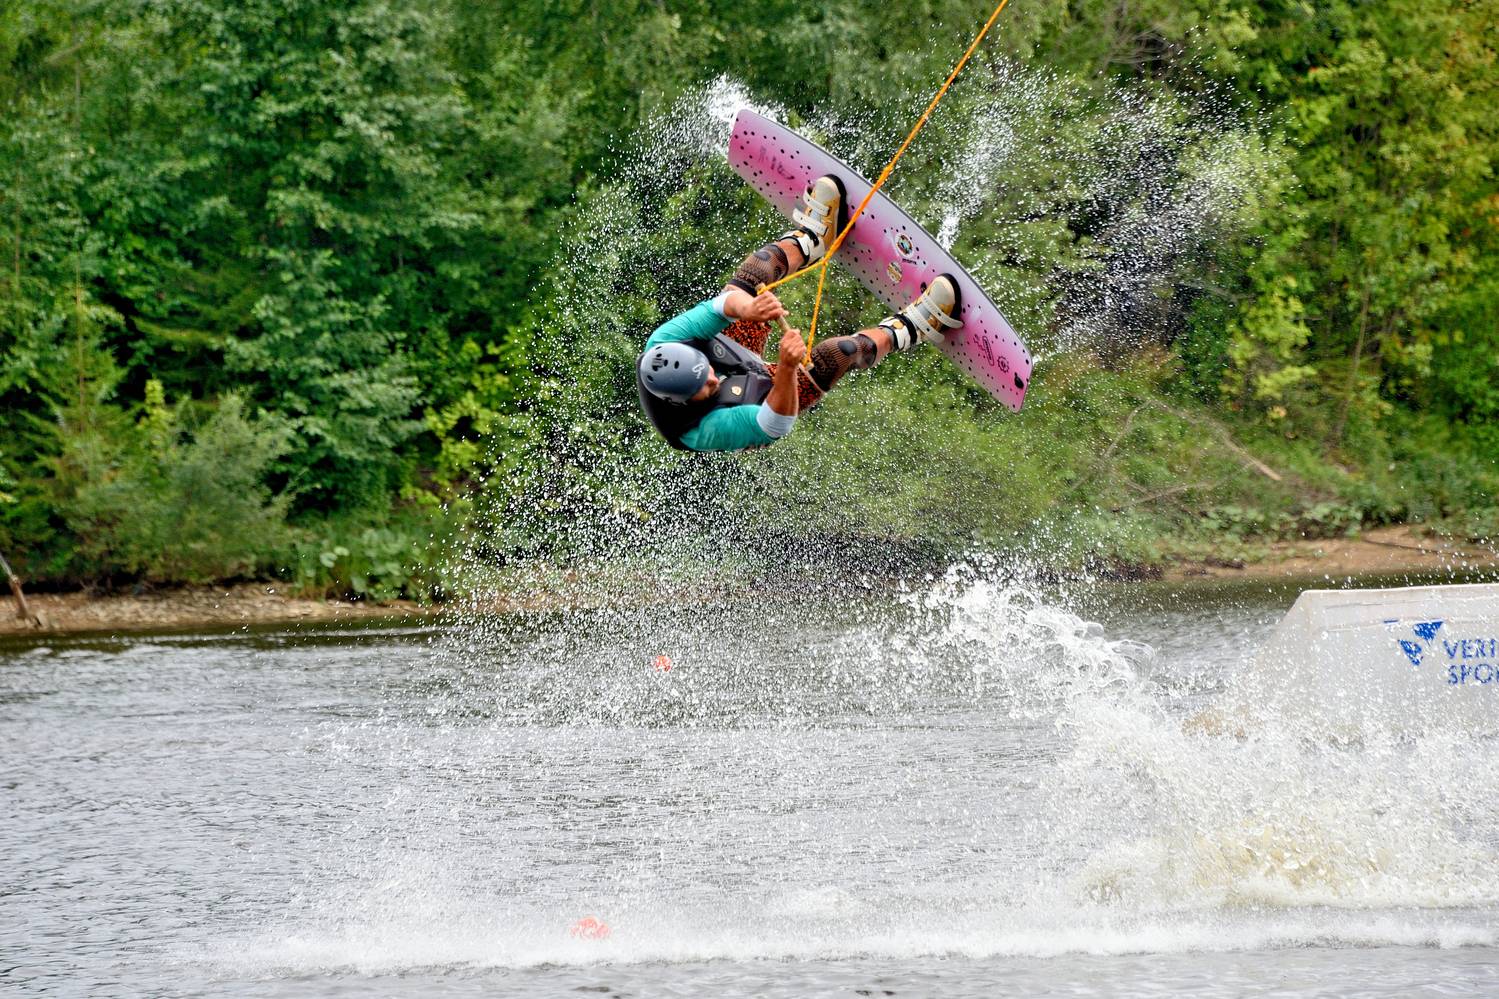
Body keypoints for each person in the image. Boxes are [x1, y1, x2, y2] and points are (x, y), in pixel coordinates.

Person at [636, 175, 964, 452]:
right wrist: (788, 367)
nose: (712, 379)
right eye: (704, 386)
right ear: (682, 400)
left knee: (758, 270)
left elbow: (720, 307)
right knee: (838, 354)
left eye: (705, 370)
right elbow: (775, 424)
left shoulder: (666, 340)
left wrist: (751, 307)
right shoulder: (704, 429)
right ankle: (911, 328)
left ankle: (813, 238)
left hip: (732, 348)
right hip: (764, 400)